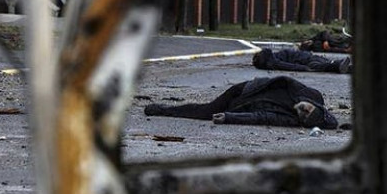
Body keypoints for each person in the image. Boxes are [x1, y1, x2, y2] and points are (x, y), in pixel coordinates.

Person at [143, 76, 339, 129]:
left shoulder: (291, 119)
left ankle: (163, 109)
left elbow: (261, 118)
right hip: (246, 89)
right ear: (314, 105)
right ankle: (163, 109)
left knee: (206, 113)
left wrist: (229, 117)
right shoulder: (310, 94)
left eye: (303, 116)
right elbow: (285, 79)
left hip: (242, 105)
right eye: (308, 109)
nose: (302, 111)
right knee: (205, 110)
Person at [253, 46, 352, 74]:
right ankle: (347, 68)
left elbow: (288, 66)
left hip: (308, 60)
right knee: (323, 65)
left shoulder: (272, 60)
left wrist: (303, 68)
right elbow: (288, 65)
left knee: (318, 66)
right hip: (309, 58)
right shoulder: (275, 57)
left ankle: (338, 64)